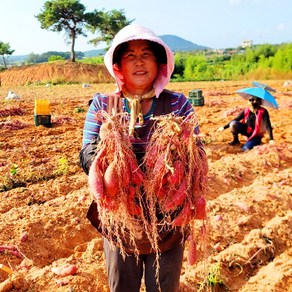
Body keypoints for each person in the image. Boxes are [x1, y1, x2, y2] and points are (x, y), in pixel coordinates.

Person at [79, 24, 203, 292]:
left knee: (164, 286)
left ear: (159, 64)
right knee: (122, 285)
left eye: (146, 54)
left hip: (170, 216)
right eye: (130, 55)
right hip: (121, 216)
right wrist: (112, 160)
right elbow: (86, 150)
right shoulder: (103, 104)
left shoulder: (178, 104)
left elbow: (198, 150)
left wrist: (177, 158)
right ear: (118, 67)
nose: (139, 62)